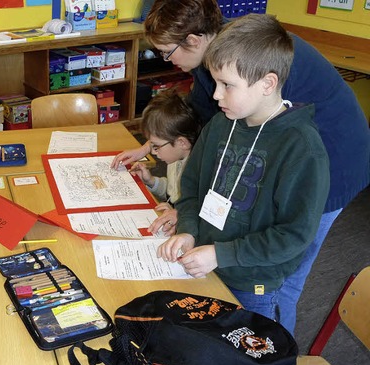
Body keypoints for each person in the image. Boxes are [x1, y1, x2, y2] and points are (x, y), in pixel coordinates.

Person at [139, 0, 370, 334]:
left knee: (277, 297)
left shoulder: (297, 142)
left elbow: (291, 233)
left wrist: (222, 252)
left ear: (266, 84)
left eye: (225, 85)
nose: (217, 94)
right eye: (214, 82)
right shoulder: (229, 101)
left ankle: (278, 362)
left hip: (334, 164)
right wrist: (190, 224)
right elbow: (197, 178)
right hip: (227, 256)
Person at [122, 91, 201, 235]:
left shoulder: (198, 170)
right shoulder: (175, 158)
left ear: (181, 142)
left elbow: (198, 213)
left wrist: (180, 215)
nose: (153, 152)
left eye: (157, 146)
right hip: (169, 213)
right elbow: (172, 191)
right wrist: (151, 181)